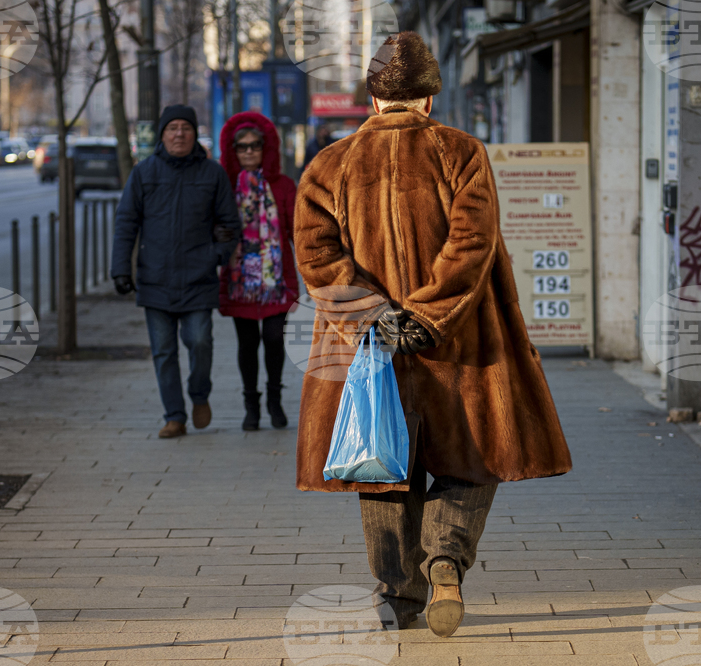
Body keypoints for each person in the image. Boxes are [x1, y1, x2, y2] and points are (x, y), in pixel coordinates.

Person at [293, 32, 572, 637]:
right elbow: (472, 244)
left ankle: (399, 596)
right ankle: (446, 559)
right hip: (461, 345)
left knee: (382, 465)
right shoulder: (461, 152)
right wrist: (427, 316)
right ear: (427, 100)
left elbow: (315, 253)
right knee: (470, 459)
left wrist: (373, 316)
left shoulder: (328, 164)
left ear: (373, 101)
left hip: (368, 351)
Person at [111, 104, 241, 439]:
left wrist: (216, 254)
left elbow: (229, 224)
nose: (179, 133)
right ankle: (174, 416)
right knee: (163, 351)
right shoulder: (144, 173)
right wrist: (120, 269)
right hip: (155, 278)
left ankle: (199, 394)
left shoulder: (212, 173)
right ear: (162, 134)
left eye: (185, 127)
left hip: (198, 278)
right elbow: (126, 222)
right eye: (172, 128)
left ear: (194, 133)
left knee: (200, 342)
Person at [218, 112, 300, 431]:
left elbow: (298, 229)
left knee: (274, 338)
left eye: (255, 145)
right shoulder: (224, 186)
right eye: (242, 147)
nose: (249, 151)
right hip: (240, 281)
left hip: (276, 281)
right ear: (233, 150)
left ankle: (275, 400)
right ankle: (250, 404)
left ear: (265, 148)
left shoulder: (283, 186)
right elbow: (216, 227)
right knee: (247, 343)